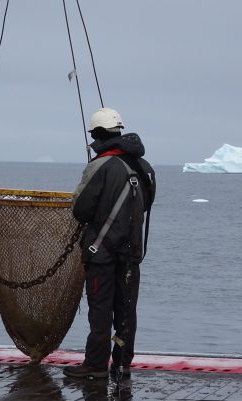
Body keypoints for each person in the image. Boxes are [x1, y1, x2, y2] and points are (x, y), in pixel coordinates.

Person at [63, 108, 156, 379]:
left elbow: (80, 209)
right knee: (126, 310)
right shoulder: (145, 167)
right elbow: (146, 204)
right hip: (132, 253)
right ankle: (123, 363)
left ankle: (95, 364)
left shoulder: (100, 165)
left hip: (101, 253)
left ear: (98, 135)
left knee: (101, 309)